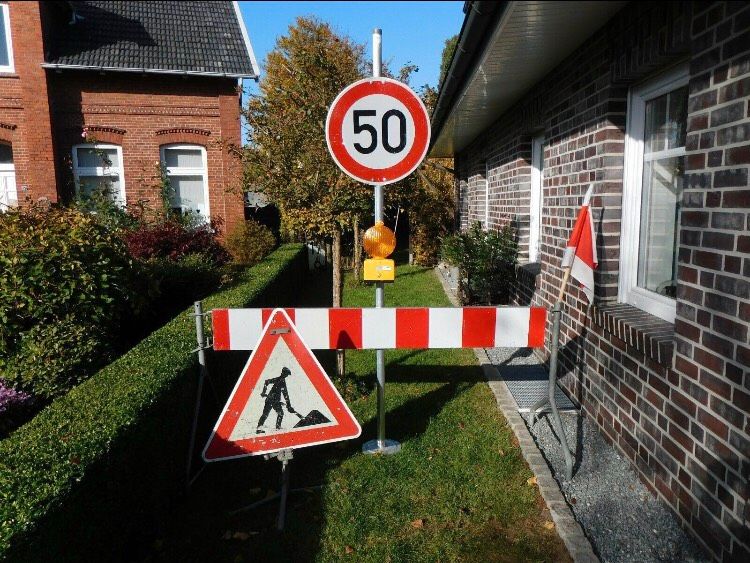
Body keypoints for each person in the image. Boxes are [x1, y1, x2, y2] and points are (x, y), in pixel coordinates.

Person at [256, 367, 297, 433]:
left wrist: (264, 392)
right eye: (286, 374)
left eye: (287, 375)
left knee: (266, 414)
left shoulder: (279, 380)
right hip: (273, 401)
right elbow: (285, 395)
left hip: (271, 400)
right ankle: (277, 427)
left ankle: (259, 428)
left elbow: (267, 382)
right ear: (283, 373)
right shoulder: (281, 381)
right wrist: (288, 405)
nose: (286, 376)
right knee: (279, 414)